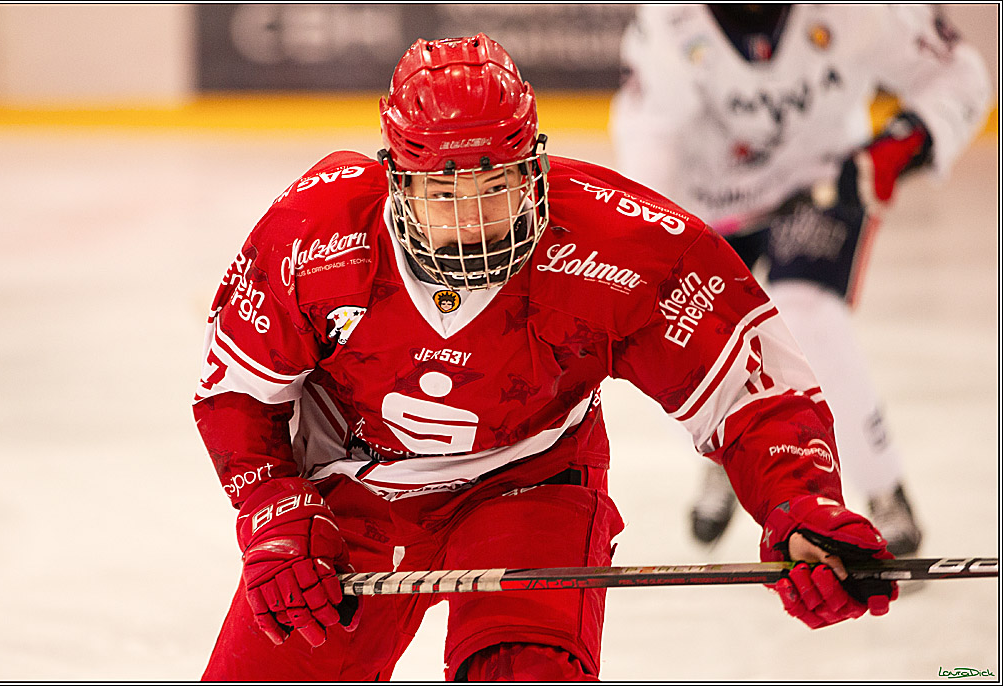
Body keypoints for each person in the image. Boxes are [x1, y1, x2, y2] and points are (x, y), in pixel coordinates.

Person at [193, 33, 900, 682]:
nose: (472, 221)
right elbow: (236, 396)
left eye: (496, 187)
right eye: (444, 193)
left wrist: (800, 502)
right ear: (396, 181)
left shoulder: (620, 243)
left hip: (532, 483)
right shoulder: (316, 233)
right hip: (352, 492)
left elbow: (750, 394)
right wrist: (275, 511)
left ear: (535, 165)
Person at [610, 4, 991, 552]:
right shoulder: (668, 22)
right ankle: (729, 453)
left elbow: (958, 73)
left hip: (820, 179)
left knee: (806, 311)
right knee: (692, 333)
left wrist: (905, 143)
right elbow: (651, 138)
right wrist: (653, 233)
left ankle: (885, 489)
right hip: (708, 200)